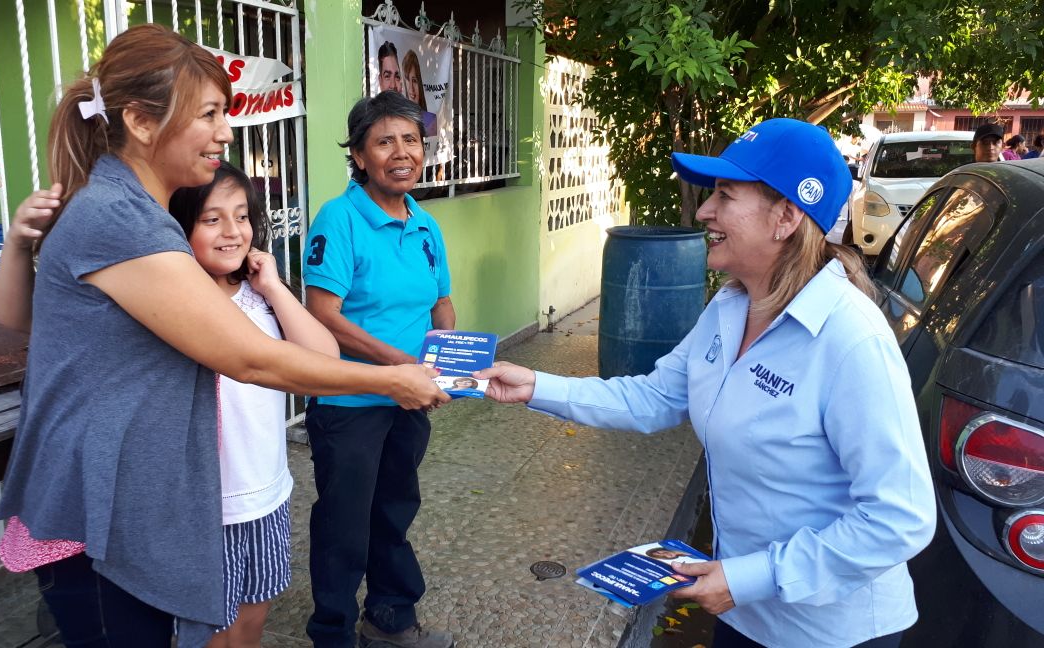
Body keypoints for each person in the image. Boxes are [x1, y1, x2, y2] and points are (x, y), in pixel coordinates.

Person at [0, 24, 447, 648]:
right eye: (208, 114)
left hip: (133, 502)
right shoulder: (118, 219)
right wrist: (390, 379)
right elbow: (248, 357)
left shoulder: (133, 214)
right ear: (142, 122)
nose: (227, 132)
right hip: (100, 510)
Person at [477, 118, 936, 648]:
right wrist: (533, 383)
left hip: (830, 632)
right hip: (742, 614)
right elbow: (653, 397)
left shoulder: (850, 339)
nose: (703, 211)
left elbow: (900, 516)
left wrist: (747, 579)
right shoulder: (730, 305)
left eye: (725, 194)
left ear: (785, 216)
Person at [301, 91, 455, 648]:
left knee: (394, 510)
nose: (402, 152)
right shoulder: (339, 219)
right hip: (350, 403)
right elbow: (324, 316)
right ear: (360, 156)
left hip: (409, 401)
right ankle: (333, 633)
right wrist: (403, 366)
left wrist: (449, 363)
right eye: (384, 140)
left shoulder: (425, 224)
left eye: (411, 139)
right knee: (344, 524)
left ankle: (390, 617)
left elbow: (440, 304)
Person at [169, 163, 337, 648]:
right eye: (212, 219)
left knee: (251, 621)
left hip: (266, 493)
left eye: (241, 217)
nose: (232, 231)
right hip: (208, 505)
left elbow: (323, 360)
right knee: (210, 634)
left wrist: (274, 288)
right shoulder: (180, 301)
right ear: (183, 227)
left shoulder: (257, 298)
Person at [401, 49, 438, 136]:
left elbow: (431, 148)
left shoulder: (430, 119)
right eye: (407, 80)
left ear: (420, 83)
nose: (411, 90)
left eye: (414, 81)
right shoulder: (399, 118)